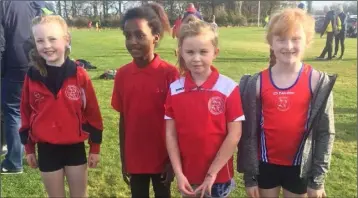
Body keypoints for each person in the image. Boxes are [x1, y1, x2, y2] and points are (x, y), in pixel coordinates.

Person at [237, 8, 337, 198]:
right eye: (281, 39)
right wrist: (250, 177)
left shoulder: (318, 82)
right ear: (271, 42)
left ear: (307, 41)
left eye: (295, 39)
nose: (288, 45)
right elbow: (247, 133)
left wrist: (317, 180)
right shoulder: (257, 82)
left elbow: (326, 133)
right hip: (265, 165)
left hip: (299, 167)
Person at [19, 15, 103, 197]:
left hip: (74, 147)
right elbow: (25, 112)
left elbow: (93, 112)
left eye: (52, 39)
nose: (46, 45)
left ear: (66, 40)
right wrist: (29, 148)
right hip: (47, 148)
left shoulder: (79, 75)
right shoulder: (32, 76)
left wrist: (95, 147)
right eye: (40, 40)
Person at [165, 16, 244, 198]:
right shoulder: (174, 89)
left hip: (218, 178)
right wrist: (179, 173)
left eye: (203, 51)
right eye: (190, 52)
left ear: (215, 52)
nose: (197, 58)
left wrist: (212, 173)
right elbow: (170, 134)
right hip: (187, 177)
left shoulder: (228, 88)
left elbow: (235, 134)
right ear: (180, 53)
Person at [111, 3, 179, 198]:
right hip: (135, 158)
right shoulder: (122, 75)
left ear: (155, 37)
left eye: (140, 35)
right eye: (128, 35)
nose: (132, 41)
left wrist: (173, 162)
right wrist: (124, 158)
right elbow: (124, 119)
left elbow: (176, 122)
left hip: (162, 158)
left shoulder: (169, 74)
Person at [0, 0, 54, 174]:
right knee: (36, 107)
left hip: (15, 62)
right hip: (40, 61)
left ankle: (14, 160)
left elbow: (0, 42)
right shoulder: (37, 2)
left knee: (13, 110)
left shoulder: (5, 4)